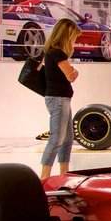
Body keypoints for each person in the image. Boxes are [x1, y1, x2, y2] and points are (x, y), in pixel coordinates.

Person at [40, 18, 81, 180]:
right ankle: (44, 176)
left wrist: (72, 72)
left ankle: (64, 173)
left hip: (60, 98)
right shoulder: (58, 53)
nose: (75, 41)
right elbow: (70, 76)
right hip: (59, 99)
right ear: (67, 36)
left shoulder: (51, 53)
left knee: (67, 138)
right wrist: (74, 72)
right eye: (74, 37)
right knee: (57, 139)